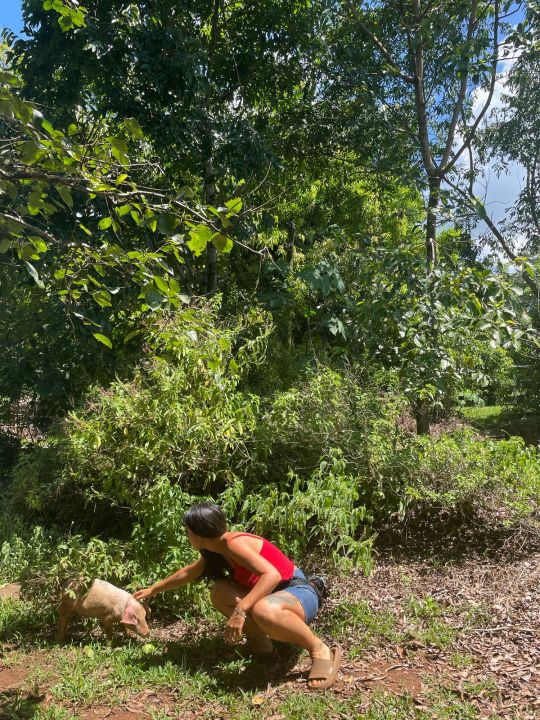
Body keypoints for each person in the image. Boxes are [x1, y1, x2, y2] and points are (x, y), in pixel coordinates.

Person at [134, 501, 341, 690]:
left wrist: (241, 610)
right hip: (275, 598)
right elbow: (188, 573)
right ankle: (264, 647)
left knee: (263, 609)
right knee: (220, 592)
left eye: (188, 531)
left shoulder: (234, 543)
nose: (187, 536)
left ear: (199, 533)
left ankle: (319, 648)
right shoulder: (215, 550)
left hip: (299, 592)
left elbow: (272, 575)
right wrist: (153, 590)